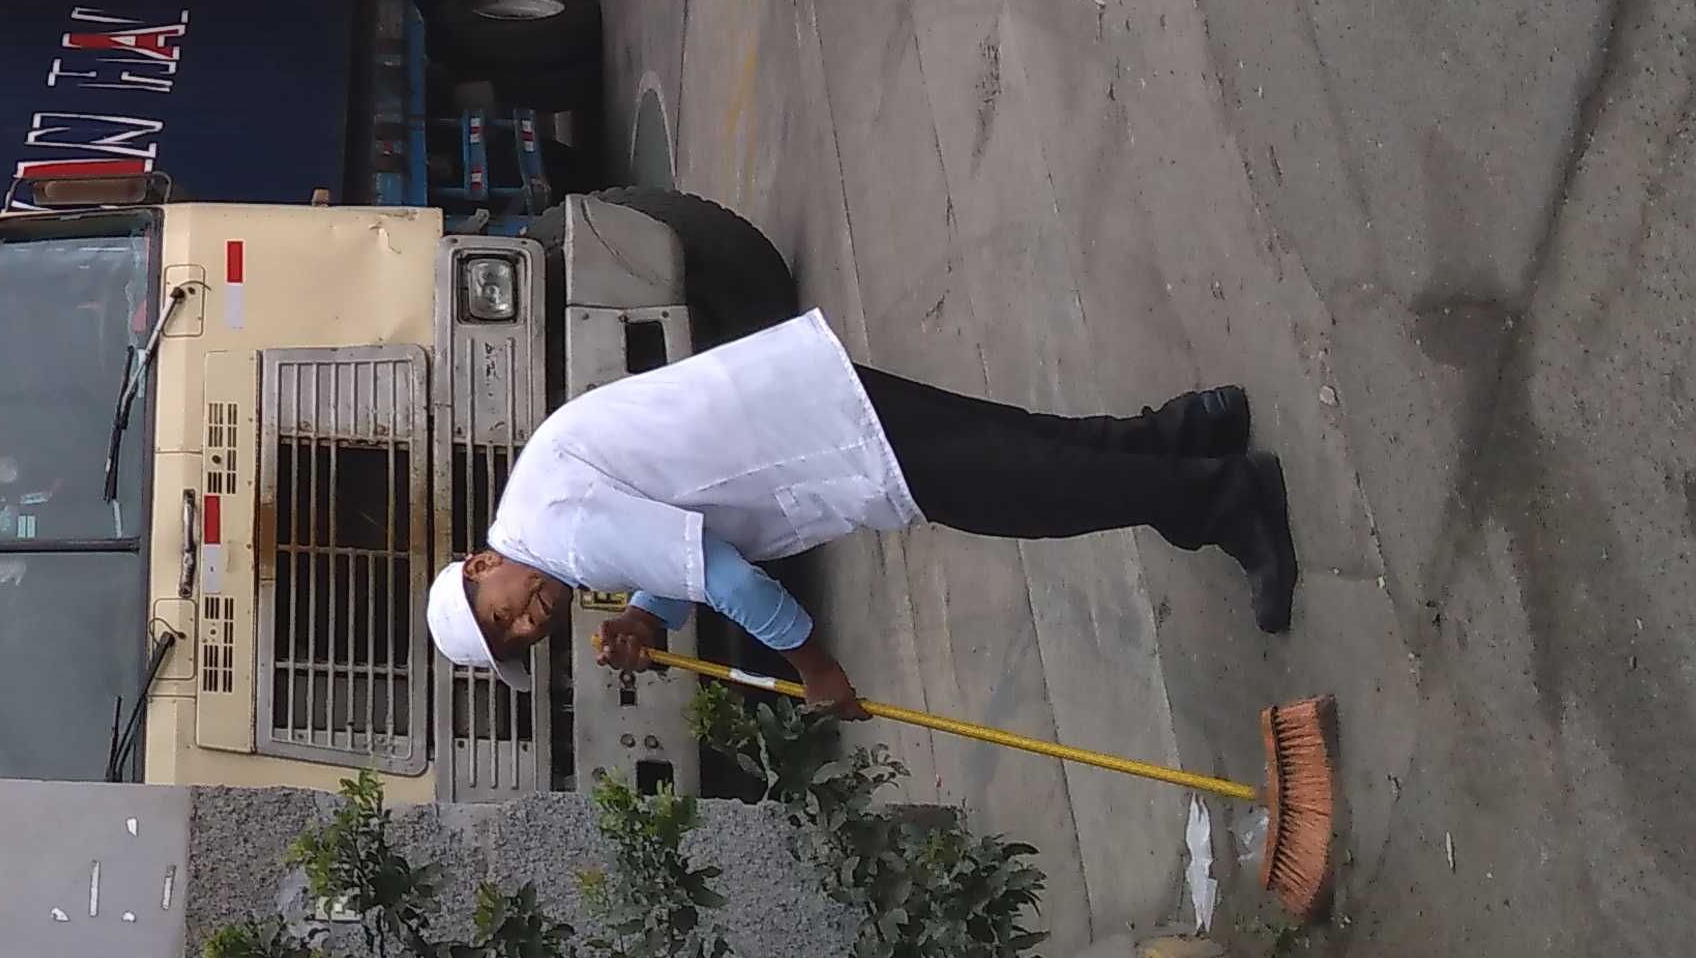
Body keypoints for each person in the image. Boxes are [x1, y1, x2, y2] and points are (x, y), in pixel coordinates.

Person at [422, 308, 1302, 737]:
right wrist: (651, 618)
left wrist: (816, 668)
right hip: (807, 400)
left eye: (502, 615)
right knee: (1024, 446)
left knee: (1032, 488)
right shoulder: (539, 509)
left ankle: (1226, 497)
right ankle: (1189, 431)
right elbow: (684, 540)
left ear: (478, 564)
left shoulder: (560, 535)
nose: (528, 624)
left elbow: (723, 575)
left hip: (816, 438)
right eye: (516, 640)